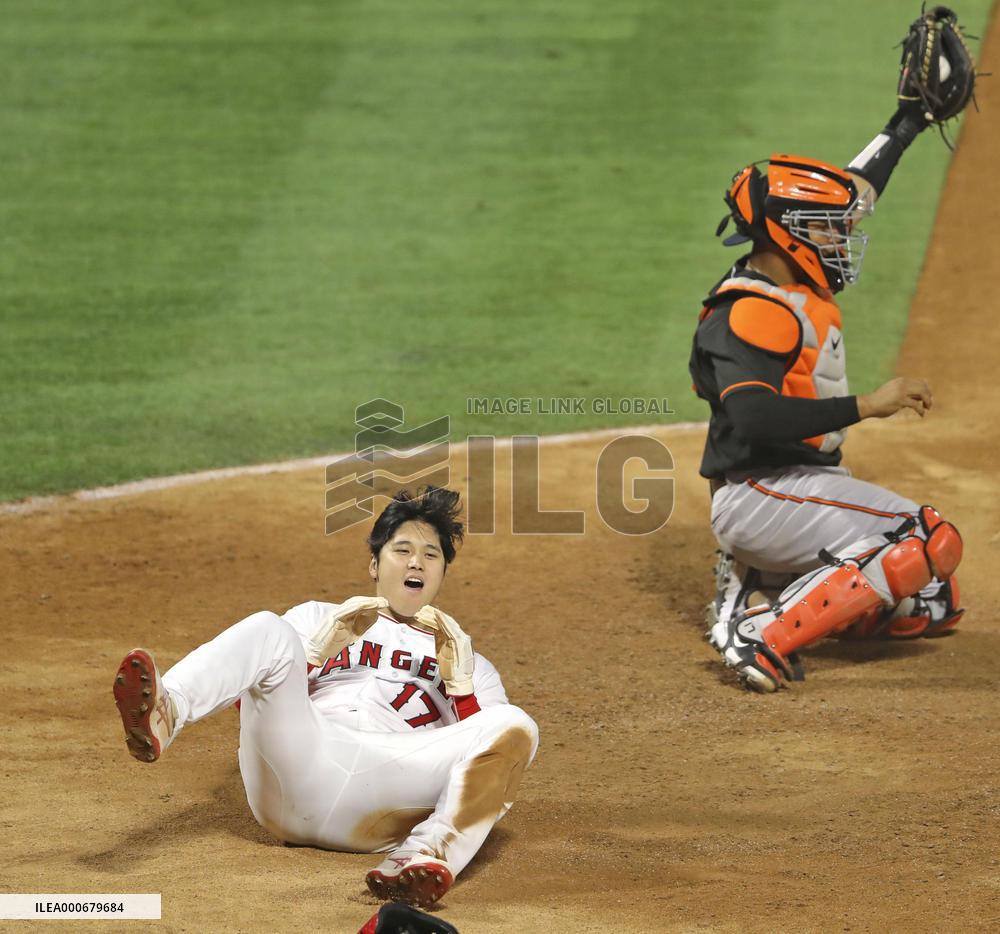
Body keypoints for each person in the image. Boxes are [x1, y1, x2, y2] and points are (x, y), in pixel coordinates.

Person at [113, 486, 538, 906]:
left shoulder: (470, 662)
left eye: (432, 555)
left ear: (443, 572)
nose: (416, 562)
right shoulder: (317, 618)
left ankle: (421, 858)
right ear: (374, 564)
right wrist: (314, 656)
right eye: (402, 550)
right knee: (267, 627)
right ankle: (167, 712)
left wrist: (462, 691)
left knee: (516, 724)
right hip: (299, 766)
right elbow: (248, 703)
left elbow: (489, 767)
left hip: (385, 792)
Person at [689, 93, 967, 692]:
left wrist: (907, 122)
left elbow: (858, 188)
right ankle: (762, 631)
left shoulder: (790, 274)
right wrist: (868, 404)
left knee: (932, 598)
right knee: (922, 540)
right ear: (788, 235)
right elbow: (755, 417)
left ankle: (769, 580)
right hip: (759, 492)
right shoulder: (749, 313)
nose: (843, 238)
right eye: (828, 230)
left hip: (801, 486)